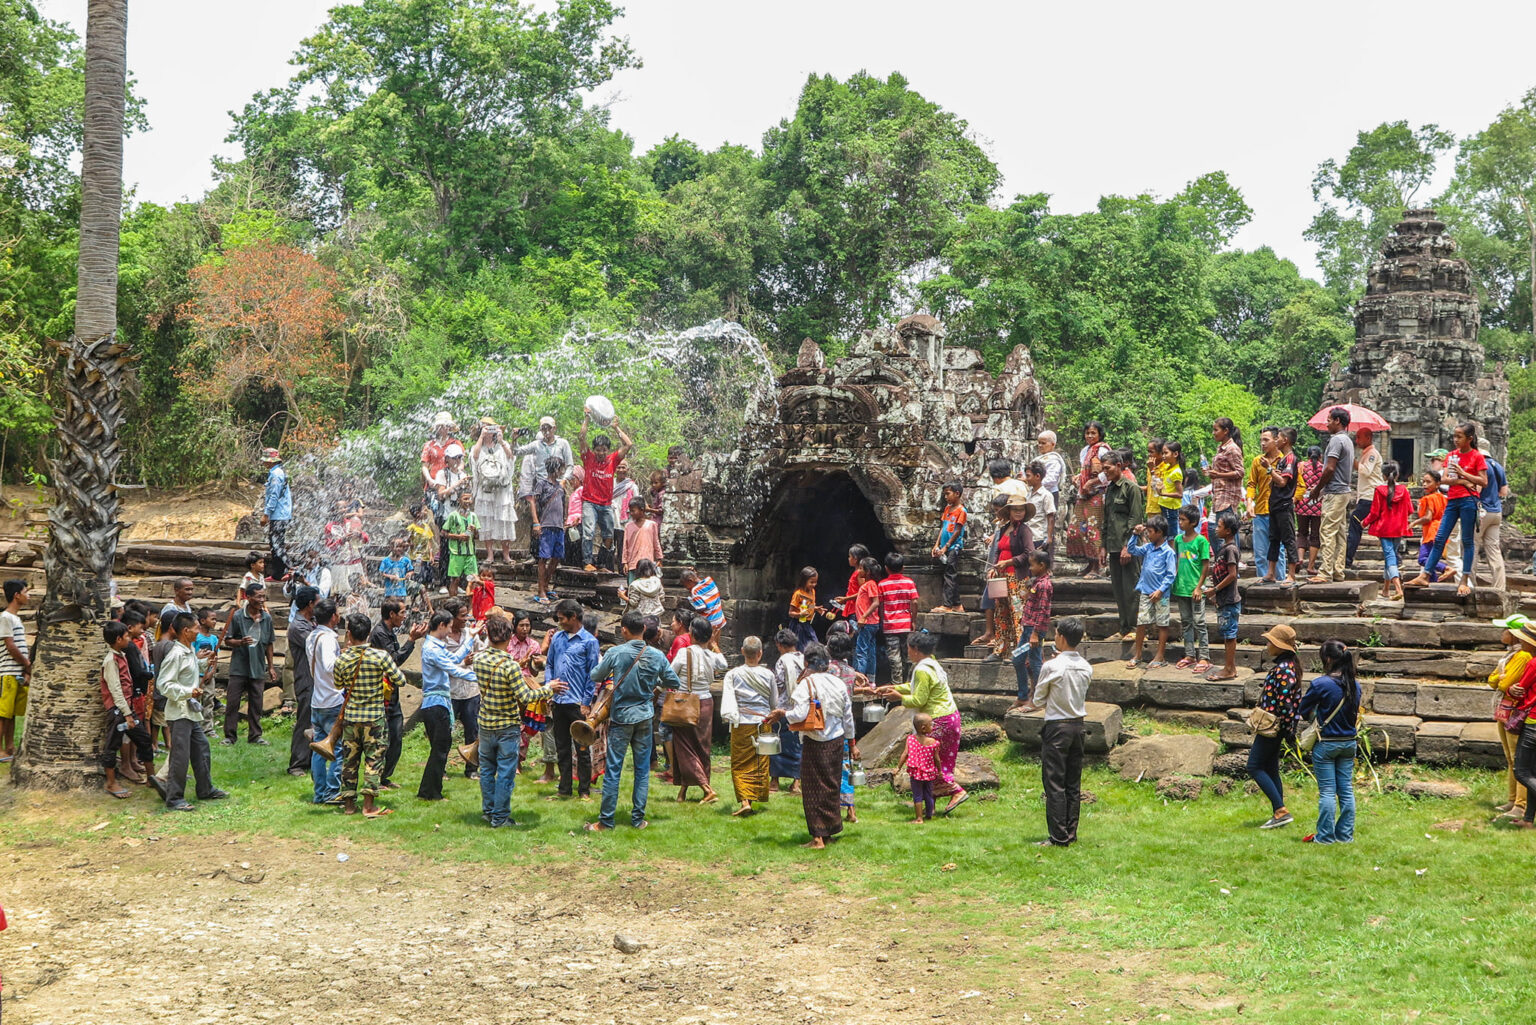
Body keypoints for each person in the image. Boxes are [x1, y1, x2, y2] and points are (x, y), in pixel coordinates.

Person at [585, 612, 678, 832]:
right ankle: (638, 820)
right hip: (645, 716)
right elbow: (673, 681)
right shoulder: (656, 655)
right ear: (644, 629)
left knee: (614, 769)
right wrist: (653, 682)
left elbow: (595, 675)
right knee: (642, 770)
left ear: (624, 630)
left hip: (621, 717)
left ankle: (606, 821)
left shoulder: (616, 652)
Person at [470, 612, 561, 827]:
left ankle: (488, 811)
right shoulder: (510, 665)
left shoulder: (479, 659)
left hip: (485, 724)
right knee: (505, 773)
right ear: (509, 635)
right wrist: (549, 689)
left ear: (489, 635)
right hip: (507, 726)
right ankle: (500, 818)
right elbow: (526, 696)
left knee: (487, 771)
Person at [764, 643, 856, 849]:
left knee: (813, 788)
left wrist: (782, 713)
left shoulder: (807, 684)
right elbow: (848, 717)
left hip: (815, 740)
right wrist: (851, 742)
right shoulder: (838, 683)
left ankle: (817, 837)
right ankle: (829, 832)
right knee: (831, 785)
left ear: (807, 662)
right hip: (837, 740)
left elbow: (799, 714)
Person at [876, 631, 967, 815]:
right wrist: (893, 687)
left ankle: (956, 791)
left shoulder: (922, 670)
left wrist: (898, 697)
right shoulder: (932, 663)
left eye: (908, 648)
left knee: (926, 763)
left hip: (936, 721)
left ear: (916, 649)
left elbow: (919, 699)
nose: (907, 651)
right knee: (940, 763)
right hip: (951, 718)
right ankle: (930, 806)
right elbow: (916, 687)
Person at [1024, 616, 1092, 847]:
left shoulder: (1051, 666)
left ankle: (1058, 836)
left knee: (1054, 783)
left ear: (1061, 637)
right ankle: (1070, 833)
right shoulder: (1086, 666)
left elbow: (1039, 699)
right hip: (1078, 725)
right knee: (1073, 783)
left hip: (1057, 727)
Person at [330, 613, 406, 818]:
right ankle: (368, 806)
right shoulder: (380, 656)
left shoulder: (342, 659)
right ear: (369, 633)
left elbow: (338, 685)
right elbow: (401, 680)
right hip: (374, 718)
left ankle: (348, 805)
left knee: (349, 761)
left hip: (350, 718)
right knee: (374, 760)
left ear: (349, 634)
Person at [1406, 422, 1487, 596]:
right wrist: (1463, 481)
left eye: (1459, 437)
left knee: (1467, 541)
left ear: (1469, 439)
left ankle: (1464, 580)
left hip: (1468, 501)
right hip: (1452, 500)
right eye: (1454, 436)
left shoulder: (1476, 456)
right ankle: (1426, 575)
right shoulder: (1451, 455)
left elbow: (1483, 481)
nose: (1455, 440)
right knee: (1440, 538)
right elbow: (1443, 479)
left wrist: (1463, 473)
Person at [159, 612, 228, 811]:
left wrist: (205, 663)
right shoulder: (175, 654)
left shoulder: (188, 651)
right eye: (196, 628)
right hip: (179, 713)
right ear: (185, 631)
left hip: (190, 712)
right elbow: (164, 684)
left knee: (202, 748)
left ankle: (205, 789)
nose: (199, 631)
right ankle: (174, 798)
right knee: (180, 756)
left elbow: (189, 669)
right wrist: (188, 692)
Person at [1299, 639, 1362, 844]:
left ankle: (1325, 836)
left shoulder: (1321, 684)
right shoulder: (1356, 685)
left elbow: (1303, 710)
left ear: (1327, 659)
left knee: (1327, 792)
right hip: (1349, 742)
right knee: (1346, 790)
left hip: (1327, 742)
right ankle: (1344, 835)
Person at [1248, 624, 1303, 830]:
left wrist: (1288, 729)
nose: (1267, 645)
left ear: (1280, 646)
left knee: (1254, 766)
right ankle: (1279, 813)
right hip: (1277, 725)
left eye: (1270, 642)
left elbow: (1286, 703)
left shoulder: (1283, 670)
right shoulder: (1287, 667)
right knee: (1271, 768)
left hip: (1273, 725)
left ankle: (1281, 811)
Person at [545, 599, 600, 800]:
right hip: (558, 701)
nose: (560, 622)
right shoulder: (557, 638)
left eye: (562, 619)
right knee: (562, 747)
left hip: (577, 703)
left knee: (582, 748)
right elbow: (549, 664)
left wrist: (586, 702)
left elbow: (592, 674)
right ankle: (564, 788)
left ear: (574, 617)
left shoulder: (589, 642)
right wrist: (549, 686)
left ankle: (584, 790)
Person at [418, 610, 475, 800]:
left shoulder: (436, 647)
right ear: (441, 625)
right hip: (435, 704)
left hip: (438, 703)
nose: (451, 631)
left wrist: (470, 638)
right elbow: (454, 669)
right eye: (449, 627)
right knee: (440, 749)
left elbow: (455, 659)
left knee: (440, 748)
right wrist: (482, 677)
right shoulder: (432, 649)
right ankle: (431, 792)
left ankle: (428, 790)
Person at [669, 616, 726, 804]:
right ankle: (683, 791)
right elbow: (724, 664)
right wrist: (714, 645)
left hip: (685, 703)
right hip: (706, 702)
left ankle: (706, 789)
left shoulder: (683, 653)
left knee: (684, 747)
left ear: (691, 634)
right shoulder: (711, 655)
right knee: (702, 747)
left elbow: (670, 675)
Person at [371, 599, 426, 790]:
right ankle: (375, 778)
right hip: (382, 695)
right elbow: (394, 662)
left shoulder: (389, 632)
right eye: (402, 612)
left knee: (396, 737)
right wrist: (411, 641)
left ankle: (384, 776)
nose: (405, 616)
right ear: (391, 614)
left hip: (392, 694)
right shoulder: (379, 633)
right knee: (383, 739)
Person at [720, 635, 776, 817]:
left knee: (740, 763)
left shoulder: (733, 674)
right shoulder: (768, 675)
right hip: (762, 722)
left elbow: (728, 698)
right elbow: (774, 702)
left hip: (742, 722)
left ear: (742, 651)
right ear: (760, 653)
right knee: (760, 763)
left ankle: (745, 801)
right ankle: (749, 800)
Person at [100, 620, 155, 797]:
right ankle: (111, 783)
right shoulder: (111, 661)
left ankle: (151, 777)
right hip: (118, 711)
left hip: (127, 709)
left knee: (144, 739)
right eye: (126, 637)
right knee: (112, 744)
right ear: (118, 639)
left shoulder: (121, 655)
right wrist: (127, 714)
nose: (129, 640)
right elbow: (115, 689)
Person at [1492, 617, 1536, 822]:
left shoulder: (1527, 658)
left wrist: (1505, 685)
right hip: (1514, 711)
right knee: (1516, 762)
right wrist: (1501, 681)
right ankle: (1518, 806)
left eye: (1507, 630)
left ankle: (1520, 804)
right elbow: (1493, 679)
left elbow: (1508, 685)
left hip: (1523, 714)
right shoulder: (1514, 655)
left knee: (1521, 767)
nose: (1503, 634)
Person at [1304, 407, 1355, 585]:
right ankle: (1338, 570)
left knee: (1326, 531)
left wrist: (1317, 489)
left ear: (1337, 421)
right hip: (1344, 491)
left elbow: (1330, 468)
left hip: (1334, 492)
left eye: (1329, 420)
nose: (1327, 424)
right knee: (1339, 533)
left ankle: (1326, 571)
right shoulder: (1348, 440)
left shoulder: (1336, 440)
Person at [577, 413, 634, 572]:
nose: (601, 453)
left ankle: (601, 564)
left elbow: (628, 444)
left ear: (607, 450)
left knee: (609, 536)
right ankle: (587, 562)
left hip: (606, 505)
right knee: (588, 533)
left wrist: (616, 428)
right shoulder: (588, 458)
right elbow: (581, 437)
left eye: (604, 450)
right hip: (589, 503)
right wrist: (587, 418)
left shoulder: (612, 460)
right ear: (594, 450)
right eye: (598, 450)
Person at [221, 581, 275, 746]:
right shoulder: (238, 616)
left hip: (257, 666)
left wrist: (271, 666)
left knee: (256, 703)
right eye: (258, 597)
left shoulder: (266, 618)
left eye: (263, 597)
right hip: (239, 667)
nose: (261, 600)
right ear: (248, 597)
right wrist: (240, 642)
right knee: (233, 702)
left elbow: (269, 643)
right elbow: (228, 640)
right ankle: (230, 736)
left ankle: (255, 735)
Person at [1102, 450, 1145, 645]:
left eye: (1108, 468)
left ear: (1118, 466)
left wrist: (1128, 546)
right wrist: (1102, 546)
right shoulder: (1110, 489)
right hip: (1113, 546)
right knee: (1118, 589)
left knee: (1131, 587)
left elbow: (1135, 519)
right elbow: (1106, 519)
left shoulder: (1131, 488)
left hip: (1128, 547)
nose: (1105, 472)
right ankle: (1123, 627)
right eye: (1103, 469)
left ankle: (1135, 628)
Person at [304, 600, 344, 803]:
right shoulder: (328, 639)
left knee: (319, 749)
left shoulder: (312, 636)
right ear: (333, 617)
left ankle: (319, 793)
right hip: (332, 699)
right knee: (338, 749)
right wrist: (346, 659)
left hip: (318, 699)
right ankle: (331, 792)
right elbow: (330, 666)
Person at [1125, 519, 1176, 669]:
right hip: (1146, 591)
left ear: (1159, 533)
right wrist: (1135, 534)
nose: (1148, 534)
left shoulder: (1168, 552)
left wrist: (1160, 590)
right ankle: (1138, 654)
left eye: (1150, 532)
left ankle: (1160, 655)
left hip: (1161, 594)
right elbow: (1132, 549)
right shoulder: (1148, 548)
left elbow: (1171, 575)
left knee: (1162, 624)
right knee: (1141, 622)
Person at [469, 417, 519, 565]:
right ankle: (489, 554)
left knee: (504, 519)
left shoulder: (502, 445)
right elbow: (474, 457)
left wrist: (502, 441)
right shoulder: (477, 446)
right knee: (486, 520)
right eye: (486, 427)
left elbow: (511, 457)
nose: (489, 431)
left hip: (502, 488)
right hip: (485, 487)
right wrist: (481, 437)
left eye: (492, 428)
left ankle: (506, 554)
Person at [1361, 459, 1412, 601]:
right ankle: (1385, 589)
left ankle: (1398, 588)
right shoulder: (1404, 490)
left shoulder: (1379, 490)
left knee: (1390, 557)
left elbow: (1374, 513)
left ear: (1383, 475)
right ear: (1397, 475)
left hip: (1384, 528)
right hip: (1398, 528)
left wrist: (1364, 522)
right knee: (1391, 556)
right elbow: (1410, 510)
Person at [1202, 513, 1242, 682]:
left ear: (1228, 531)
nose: (1216, 529)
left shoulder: (1230, 550)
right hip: (1223, 599)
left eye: (1219, 526)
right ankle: (1230, 667)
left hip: (1230, 599)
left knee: (1230, 635)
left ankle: (1229, 669)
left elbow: (1232, 575)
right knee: (1227, 634)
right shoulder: (1224, 548)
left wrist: (1215, 589)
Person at [1172, 505, 1212, 674]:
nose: (1180, 522)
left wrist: (1199, 587)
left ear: (1193, 522)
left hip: (1195, 588)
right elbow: (1176, 561)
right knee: (1186, 622)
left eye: (1183, 520)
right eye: (1179, 519)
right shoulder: (1178, 540)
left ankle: (1204, 656)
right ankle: (1189, 654)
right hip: (1181, 587)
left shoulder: (1201, 541)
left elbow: (1205, 566)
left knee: (1199, 622)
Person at [1246, 428, 1289, 583]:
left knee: (1279, 550)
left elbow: (1297, 485)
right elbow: (1252, 484)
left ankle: (1280, 580)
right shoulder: (1257, 461)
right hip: (1260, 511)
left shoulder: (1285, 461)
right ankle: (1262, 583)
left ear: (1276, 440)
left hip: (1277, 511)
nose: (1262, 444)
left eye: (1266, 440)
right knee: (1260, 552)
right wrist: (1249, 502)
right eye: (1261, 440)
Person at [1011, 550, 1053, 709]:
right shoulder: (1037, 583)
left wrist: (1035, 633)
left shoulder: (1044, 585)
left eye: (1032, 565)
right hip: (1027, 629)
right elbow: (1031, 600)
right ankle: (1023, 696)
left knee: (1035, 662)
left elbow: (1043, 611)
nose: (1030, 568)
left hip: (1034, 631)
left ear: (1041, 565)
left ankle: (1038, 699)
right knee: (1017, 658)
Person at [285, 586, 319, 777]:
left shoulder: (311, 622)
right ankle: (296, 763)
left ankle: (312, 758)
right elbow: (314, 646)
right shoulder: (298, 626)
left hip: (316, 679)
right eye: (318, 602)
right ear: (310, 604)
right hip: (306, 678)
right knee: (304, 719)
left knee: (315, 720)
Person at [1072, 423, 1112, 578]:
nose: (1090, 436)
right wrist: (1079, 477)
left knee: (1094, 529)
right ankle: (1089, 563)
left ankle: (1098, 567)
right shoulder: (1085, 451)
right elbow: (1085, 470)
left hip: (1098, 494)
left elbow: (1108, 472)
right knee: (1079, 528)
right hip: (1084, 494)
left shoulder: (1102, 450)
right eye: (1087, 433)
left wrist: (1092, 482)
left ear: (1099, 434)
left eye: (1093, 433)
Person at [769, 629, 805, 793]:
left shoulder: (782, 661)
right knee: (798, 744)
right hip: (800, 707)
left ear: (779, 645)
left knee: (777, 742)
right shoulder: (803, 659)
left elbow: (779, 685)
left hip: (783, 708)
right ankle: (796, 782)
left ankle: (774, 781)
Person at [877, 552, 920, 685]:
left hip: (890, 625)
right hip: (906, 624)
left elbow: (880, 605)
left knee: (894, 655)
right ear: (903, 568)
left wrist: (882, 619)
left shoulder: (882, 585)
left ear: (886, 568)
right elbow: (914, 602)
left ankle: (897, 683)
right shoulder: (909, 582)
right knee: (907, 654)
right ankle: (908, 683)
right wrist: (913, 620)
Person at [0, 579, 31, 761]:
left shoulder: (16, 618)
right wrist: (27, 664)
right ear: (16, 595)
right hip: (7, 672)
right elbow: (10, 646)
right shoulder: (5, 617)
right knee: (3, 714)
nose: (29, 595)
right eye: (26, 592)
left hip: (16, 673)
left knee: (11, 714)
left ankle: (9, 747)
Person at [1473, 443, 1509, 592]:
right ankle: (1499, 587)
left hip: (1481, 512)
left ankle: (1470, 585)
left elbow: (1477, 489)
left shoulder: (1481, 465)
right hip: (1496, 512)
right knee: (1494, 549)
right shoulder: (1498, 466)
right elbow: (1504, 492)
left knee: (1472, 546)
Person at [1345, 428, 1383, 569]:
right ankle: (1395, 557)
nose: (1356, 441)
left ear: (1368, 438)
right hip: (1368, 496)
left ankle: (1347, 559)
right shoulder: (1366, 454)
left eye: (1359, 437)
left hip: (1370, 497)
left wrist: (1352, 460)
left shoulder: (1372, 453)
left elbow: (1366, 471)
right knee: (1378, 527)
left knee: (1355, 523)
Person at [1265, 429, 1298, 585]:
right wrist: (1273, 472)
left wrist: (1269, 469)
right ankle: (1270, 572)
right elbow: (1275, 481)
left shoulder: (1290, 459)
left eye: (1277, 438)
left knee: (1288, 539)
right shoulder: (1282, 459)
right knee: (1273, 539)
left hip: (1284, 504)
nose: (1276, 440)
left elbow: (1283, 482)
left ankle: (1291, 574)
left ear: (1285, 440)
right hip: (1275, 504)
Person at [897, 713, 942, 823]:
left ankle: (919, 818)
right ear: (923, 728)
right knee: (928, 794)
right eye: (931, 724)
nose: (933, 726)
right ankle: (929, 815)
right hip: (929, 773)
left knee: (917, 795)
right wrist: (940, 771)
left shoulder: (910, 739)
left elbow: (905, 754)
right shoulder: (933, 742)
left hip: (916, 773)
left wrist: (898, 767)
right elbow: (937, 759)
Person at [931, 482, 967, 613]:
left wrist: (946, 547)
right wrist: (936, 545)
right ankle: (957, 604)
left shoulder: (961, 511)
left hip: (954, 547)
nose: (946, 497)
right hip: (944, 546)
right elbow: (943, 527)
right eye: (944, 494)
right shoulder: (947, 509)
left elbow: (957, 531)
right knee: (949, 573)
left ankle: (947, 605)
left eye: (948, 494)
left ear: (957, 494)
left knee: (949, 574)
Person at [259, 447, 292, 580]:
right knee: (274, 543)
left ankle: (290, 569)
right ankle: (278, 573)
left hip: (279, 514)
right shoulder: (275, 472)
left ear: (271, 461)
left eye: (265, 460)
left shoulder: (276, 474)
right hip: (279, 514)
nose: (263, 463)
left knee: (277, 543)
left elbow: (274, 495)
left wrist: (266, 514)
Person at [441, 488, 480, 598]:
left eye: (469, 499)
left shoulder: (473, 516)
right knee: (455, 579)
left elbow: (477, 537)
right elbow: (443, 533)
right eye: (465, 499)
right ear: (458, 500)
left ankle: (472, 605)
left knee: (473, 579)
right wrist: (458, 537)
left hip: (470, 553)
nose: (468, 501)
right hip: (456, 553)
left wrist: (475, 530)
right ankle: (452, 603)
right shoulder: (453, 515)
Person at [1295, 445, 1325, 578]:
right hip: (1318, 505)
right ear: (1320, 456)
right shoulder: (1323, 468)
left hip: (1302, 504)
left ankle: (1300, 558)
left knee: (1301, 533)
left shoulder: (1301, 466)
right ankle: (1310, 566)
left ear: (1308, 456)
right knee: (1315, 535)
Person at [851, 556, 882, 678]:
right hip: (871, 624)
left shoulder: (871, 584)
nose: (858, 571)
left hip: (867, 623)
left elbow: (876, 602)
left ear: (868, 571)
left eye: (861, 568)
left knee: (861, 652)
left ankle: (860, 680)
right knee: (870, 651)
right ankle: (871, 679)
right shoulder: (868, 584)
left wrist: (863, 616)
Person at [420, 410, 461, 496]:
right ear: (437, 428)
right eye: (440, 426)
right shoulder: (429, 445)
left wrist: (457, 477)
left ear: (450, 428)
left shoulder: (456, 443)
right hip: (433, 483)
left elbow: (461, 463)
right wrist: (429, 480)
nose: (443, 428)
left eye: (446, 426)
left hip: (451, 483)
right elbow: (424, 466)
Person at [1023, 462, 1056, 561]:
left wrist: (1049, 537)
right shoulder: (1028, 494)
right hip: (1028, 535)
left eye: (1028, 476)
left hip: (1038, 536)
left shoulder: (1046, 495)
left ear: (1037, 476)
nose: (1026, 479)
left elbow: (1051, 517)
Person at [621, 501, 661, 584]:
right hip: (633, 562)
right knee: (633, 585)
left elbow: (656, 542)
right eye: (630, 511)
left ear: (642, 510)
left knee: (648, 585)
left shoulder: (652, 525)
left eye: (633, 511)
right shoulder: (628, 526)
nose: (631, 513)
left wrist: (659, 557)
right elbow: (625, 545)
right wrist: (625, 562)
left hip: (647, 562)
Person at [1153, 442, 1187, 540]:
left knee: (1170, 535)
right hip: (1164, 505)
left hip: (1171, 507)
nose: (1163, 456)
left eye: (1166, 453)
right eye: (1162, 453)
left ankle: (1172, 550)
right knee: (1164, 533)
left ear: (1175, 454)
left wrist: (1163, 494)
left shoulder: (1176, 472)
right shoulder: (1168, 468)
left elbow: (1180, 494)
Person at [680, 567, 726, 636]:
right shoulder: (709, 580)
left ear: (690, 580)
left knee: (706, 642)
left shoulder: (695, 591)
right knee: (715, 641)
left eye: (685, 585)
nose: (686, 588)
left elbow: (701, 607)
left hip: (709, 622)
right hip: (719, 619)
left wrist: (693, 603)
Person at [788, 566, 824, 650]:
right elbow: (790, 612)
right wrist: (800, 614)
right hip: (798, 624)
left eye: (815, 582)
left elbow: (807, 605)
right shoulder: (798, 594)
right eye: (811, 582)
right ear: (804, 581)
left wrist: (815, 608)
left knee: (814, 645)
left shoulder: (812, 591)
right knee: (800, 648)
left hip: (807, 624)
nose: (814, 585)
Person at [1036, 430, 1068, 513]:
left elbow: (1051, 480)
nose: (1040, 445)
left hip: (1049, 493)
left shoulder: (1054, 461)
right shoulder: (1039, 459)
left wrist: (1034, 484)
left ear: (1053, 444)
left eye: (1043, 443)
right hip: (1037, 493)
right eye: (1039, 443)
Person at [378, 537, 413, 602]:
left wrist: (409, 574)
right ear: (391, 548)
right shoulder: (386, 561)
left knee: (401, 606)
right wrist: (390, 576)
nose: (399, 549)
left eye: (401, 547)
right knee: (391, 605)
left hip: (401, 591)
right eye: (396, 546)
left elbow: (411, 570)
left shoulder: (406, 560)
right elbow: (381, 573)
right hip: (389, 591)